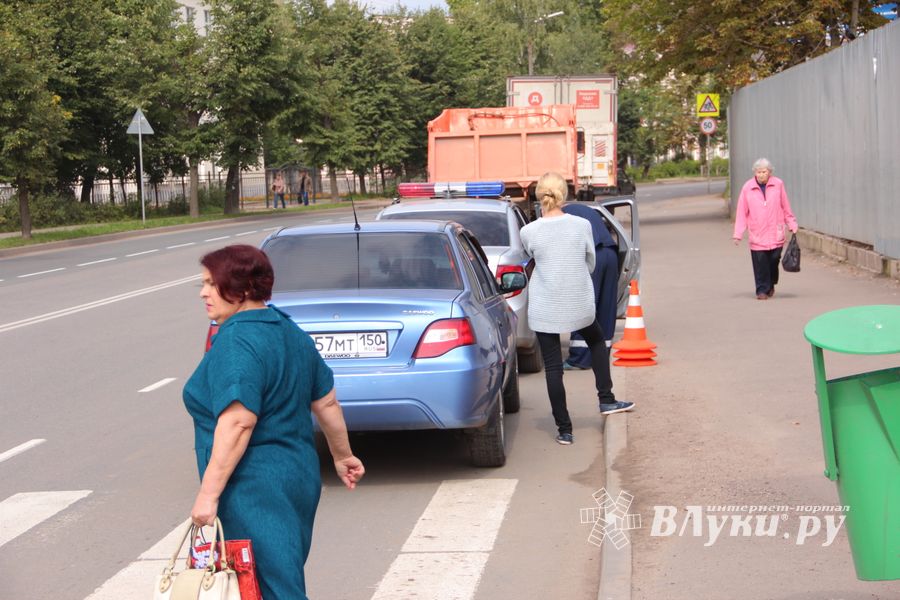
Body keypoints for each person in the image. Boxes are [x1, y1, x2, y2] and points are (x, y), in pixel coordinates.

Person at [184, 244, 364, 599]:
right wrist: (343, 456)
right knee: (267, 580)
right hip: (296, 476)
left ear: (244, 288)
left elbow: (238, 423)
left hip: (254, 485)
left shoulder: (237, 340)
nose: (203, 293)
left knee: (274, 587)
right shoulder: (288, 330)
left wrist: (207, 495)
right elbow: (326, 400)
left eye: (211, 283)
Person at [520, 172, 635, 446]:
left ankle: (564, 429)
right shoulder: (581, 225)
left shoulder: (529, 231)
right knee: (596, 341)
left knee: (552, 367)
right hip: (577, 302)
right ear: (564, 194)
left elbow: (532, 259)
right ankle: (606, 399)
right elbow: (590, 262)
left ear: (538, 195)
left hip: (545, 305)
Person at [561, 202, 619, 370]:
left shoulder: (560, 217)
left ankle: (579, 359)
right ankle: (601, 355)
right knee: (605, 307)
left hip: (594, 256)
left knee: (584, 306)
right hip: (610, 253)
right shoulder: (581, 209)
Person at [733, 158, 798, 300]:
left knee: (774, 260)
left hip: (776, 232)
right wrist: (738, 233)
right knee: (760, 264)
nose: (761, 175)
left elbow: (785, 206)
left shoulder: (778, 184)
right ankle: (761, 290)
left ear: (769, 172)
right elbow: (741, 212)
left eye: (764, 172)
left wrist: (792, 223)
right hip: (757, 233)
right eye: (758, 172)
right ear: (754, 173)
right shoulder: (747, 188)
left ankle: (771, 282)